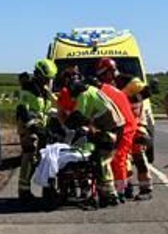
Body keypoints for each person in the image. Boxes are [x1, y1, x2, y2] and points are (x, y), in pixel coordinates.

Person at [64, 72, 125, 207]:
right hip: (116, 127)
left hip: (111, 130)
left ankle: (109, 194)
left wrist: (67, 125)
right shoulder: (92, 90)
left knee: (101, 160)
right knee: (101, 158)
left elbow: (78, 116)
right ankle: (107, 193)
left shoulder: (83, 96)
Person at [95, 60, 138, 201]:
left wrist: (136, 106)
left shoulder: (116, 85)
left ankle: (121, 190)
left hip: (125, 126)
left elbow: (144, 93)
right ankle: (124, 186)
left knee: (119, 157)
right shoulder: (109, 87)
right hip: (119, 124)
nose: (114, 73)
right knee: (120, 158)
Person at [14, 62, 56, 203]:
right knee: (30, 154)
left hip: (41, 128)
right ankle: (24, 191)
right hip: (29, 129)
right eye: (47, 78)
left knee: (43, 157)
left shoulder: (44, 91)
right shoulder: (28, 89)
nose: (49, 81)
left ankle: (45, 187)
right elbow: (22, 110)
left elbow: (49, 108)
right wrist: (32, 125)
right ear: (39, 75)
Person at [124, 77, 154, 198]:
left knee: (139, 159)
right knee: (124, 160)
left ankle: (146, 189)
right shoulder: (115, 90)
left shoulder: (132, 85)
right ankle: (127, 187)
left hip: (136, 129)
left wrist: (132, 99)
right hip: (125, 130)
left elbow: (146, 92)